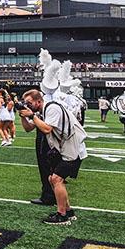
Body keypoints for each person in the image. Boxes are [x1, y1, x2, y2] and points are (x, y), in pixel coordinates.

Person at [19, 89, 87, 225]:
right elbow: (28, 128)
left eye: (29, 102)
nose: (28, 105)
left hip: (73, 148)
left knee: (56, 179)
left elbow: (47, 129)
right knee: (52, 178)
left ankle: (62, 215)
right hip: (66, 148)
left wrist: (32, 115)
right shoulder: (42, 112)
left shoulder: (52, 108)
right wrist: (22, 115)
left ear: (39, 101)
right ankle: (68, 212)